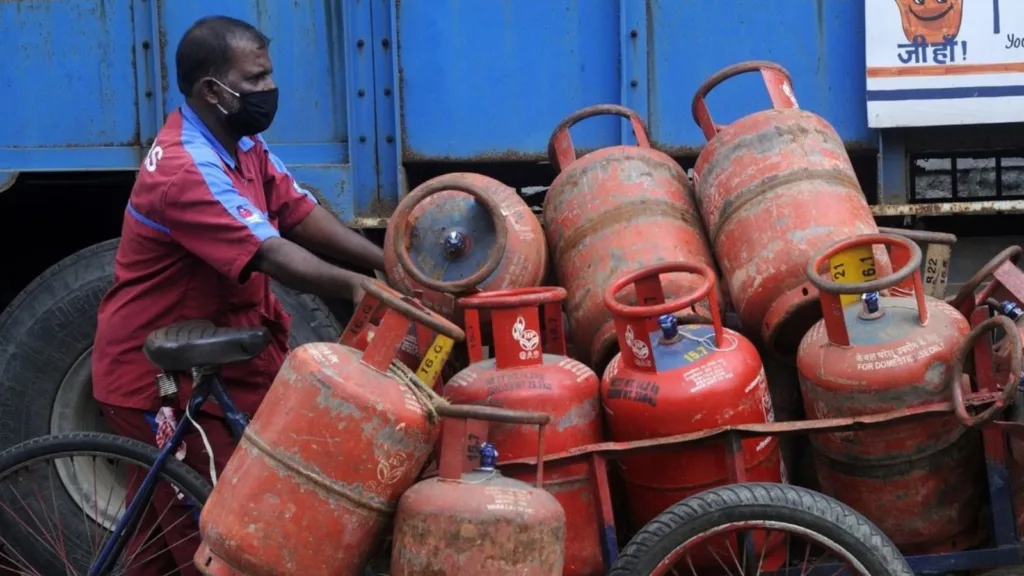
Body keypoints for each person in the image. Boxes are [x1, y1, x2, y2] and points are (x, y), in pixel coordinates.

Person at [90, 15, 383, 574]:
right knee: (228, 541)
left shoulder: (241, 141)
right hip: (161, 380)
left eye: (269, 76)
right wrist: (357, 286)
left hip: (212, 355)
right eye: (256, 79)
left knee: (155, 552)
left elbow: (298, 211)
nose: (269, 90)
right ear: (212, 91)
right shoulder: (186, 169)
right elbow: (269, 250)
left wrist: (383, 259)